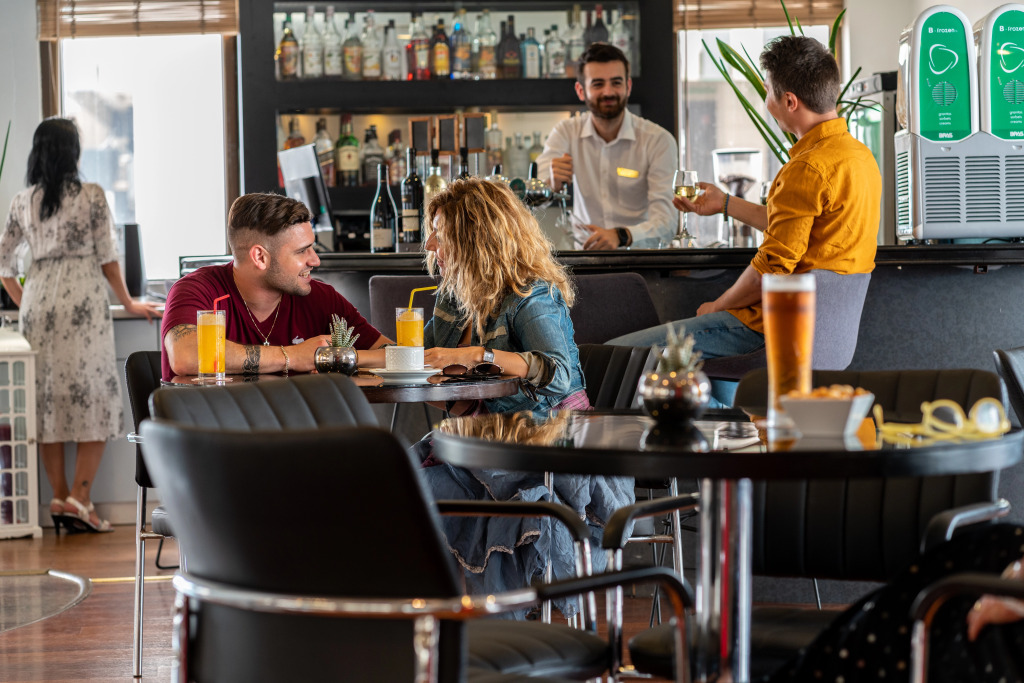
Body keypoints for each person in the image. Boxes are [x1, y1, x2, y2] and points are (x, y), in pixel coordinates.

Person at [417, 178, 634, 618]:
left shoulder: (531, 295)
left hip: (549, 446)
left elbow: (558, 375)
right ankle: (437, 623)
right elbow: (425, 368)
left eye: (439, 231)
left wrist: (478, 355)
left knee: (460, 502)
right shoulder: (452, 301)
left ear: (476, 236)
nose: (429, 244)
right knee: (398, 484)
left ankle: (494, 630)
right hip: (481, 442)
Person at [609, 35, 881, 369]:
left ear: (790, 101)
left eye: (767, 91)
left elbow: (770, 271)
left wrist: (717, 306)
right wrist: (725, 203)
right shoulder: (860, 157)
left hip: (769, 331)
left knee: (614, 355)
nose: (766, 101)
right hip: (822, 338)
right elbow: (800, 227)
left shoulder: (807, 167)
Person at [0, 117, 162, 533]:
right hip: (84, 306)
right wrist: (129, 302)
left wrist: (25, 301)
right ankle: (80, 499)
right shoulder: (91, 195)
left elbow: (3, 263)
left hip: (38, 303)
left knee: (46, 403)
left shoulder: (22, 200)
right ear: (72, 153)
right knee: (94, 397)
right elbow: (108, 258)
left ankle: (59, 498)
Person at [161, 193, 391, 380]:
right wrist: (293, 356)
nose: (315, 260)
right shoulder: (197, 290)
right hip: (211, 424)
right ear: (260, 257)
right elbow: (187, 356)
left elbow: (392, 355)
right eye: (302, 251)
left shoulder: (320, 297)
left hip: (292, 424)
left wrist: (331, 357)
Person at [536, 43, 677, 251]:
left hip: (642, 260)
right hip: (585, 260)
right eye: (598, 84)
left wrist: (621, 235)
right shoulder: (566, 132)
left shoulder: (658, 141)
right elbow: (533, 196)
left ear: (628, 86)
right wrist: (550, 184)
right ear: (581, 91)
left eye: (616, 82)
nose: (608, 92)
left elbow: (667, 223)